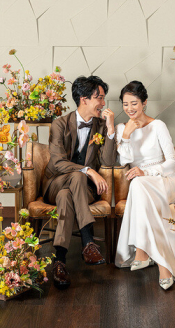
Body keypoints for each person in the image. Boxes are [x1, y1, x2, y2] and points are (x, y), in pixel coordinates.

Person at [114, 81, 175, 290]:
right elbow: (123, 161)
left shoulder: (158, 126)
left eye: (134, 103)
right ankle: (164, 267)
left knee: (138, 183)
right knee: (138, 185)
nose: (130, 108)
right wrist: (126, 135)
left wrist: (146, 172)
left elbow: (172, 162)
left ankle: (142, 252)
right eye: (125, 104)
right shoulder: (122, 128)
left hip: (166, 180)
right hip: (142, 186)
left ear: (144, 103)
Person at [44, 75, 116, 289]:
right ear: (84, 99)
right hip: (55, 183)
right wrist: (88, 171)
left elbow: (108, 161)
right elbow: (58, 163)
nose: (103, 103)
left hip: (82, 191)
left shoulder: (101, 125)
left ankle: (59, 262)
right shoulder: (59, 124)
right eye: (99, 98)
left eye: (103, 98)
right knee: (77, 176)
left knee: (66, 197)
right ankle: (88, 241)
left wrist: (111, 130)